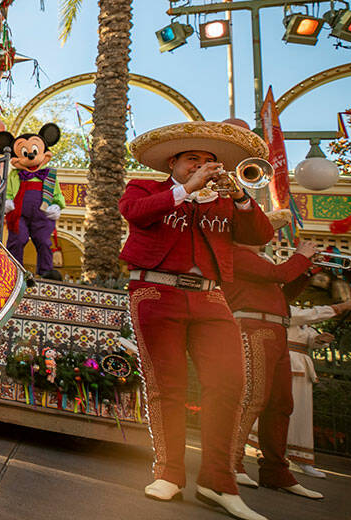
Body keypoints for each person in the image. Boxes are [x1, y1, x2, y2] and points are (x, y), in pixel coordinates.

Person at [119, 120, 275, 520]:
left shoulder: (225, 199)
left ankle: (218, 482)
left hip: (210, 296)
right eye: (193, 159)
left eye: (209, 161)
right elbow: (134, 214)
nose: (203, 166)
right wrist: (185, 190)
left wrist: (240, 194)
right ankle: (169, 474)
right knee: (166, 386)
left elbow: (259, 235)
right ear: (173, 163)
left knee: (229, 385)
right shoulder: (146, 187)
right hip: (156, 291)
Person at [222, 212, 323, 498]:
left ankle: (276, 471)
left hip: (276, 329)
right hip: (253, 327)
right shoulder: (235, 254)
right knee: (252, 398)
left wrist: (305, 270)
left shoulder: (260, 262)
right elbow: (277, 275)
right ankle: (231, 462)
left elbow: (282, 294)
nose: (266, 236)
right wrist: (301, 257)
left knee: (281, 403)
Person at [277, 298, 351, 477]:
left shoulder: (304, 322)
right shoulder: (283, 307)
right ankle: (254, 447)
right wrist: (341, 307)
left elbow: (310, 338)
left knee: (301, 413)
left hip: (302, 367)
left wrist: (319, 339)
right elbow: (308, 315)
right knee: (277, 409)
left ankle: (300, 457)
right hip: (285, 362)